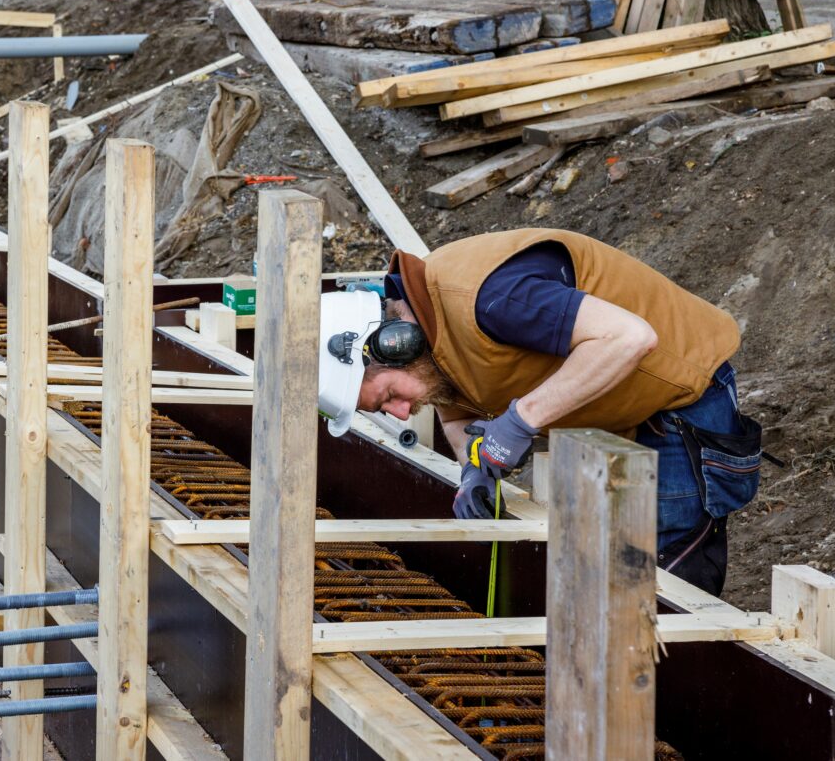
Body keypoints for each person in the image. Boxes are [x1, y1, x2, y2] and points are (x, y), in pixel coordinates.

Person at [316, 228, 761, 596]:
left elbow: (629, 338)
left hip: (681, 401)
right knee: (601, 570)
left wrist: (519, 420)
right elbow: (455, 410)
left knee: (655, 581)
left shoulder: (489, 299)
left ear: (393, 344)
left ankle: (665, 697)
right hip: (614, 404)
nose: (399, 413)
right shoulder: (428, 336)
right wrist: (473, 461)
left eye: (387, 396)